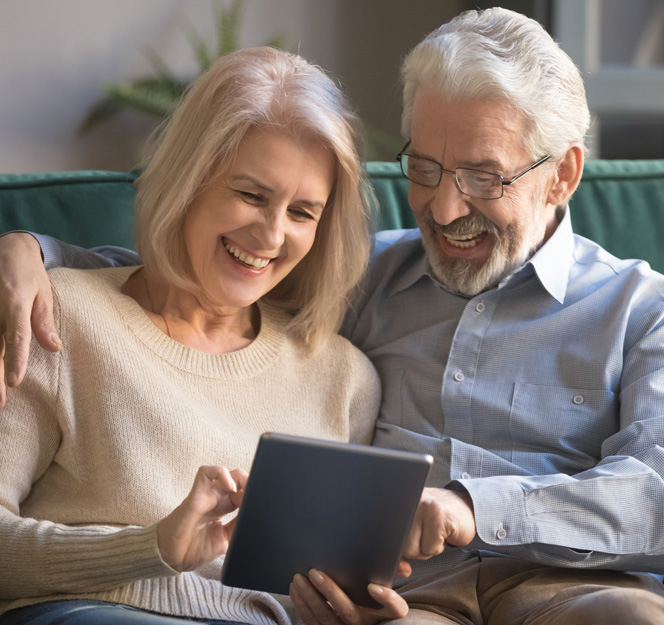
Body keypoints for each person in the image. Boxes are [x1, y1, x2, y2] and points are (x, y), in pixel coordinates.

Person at [1, 8, 664, 625]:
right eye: (425, 167)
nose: (443, 207)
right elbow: (195, 274)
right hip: (414, 600)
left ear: (562, 174)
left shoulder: (651, 314)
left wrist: (472, 506)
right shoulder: (362, 277)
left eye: (483, 177)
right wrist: (31, 249)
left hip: (580, 585)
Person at [0, 46, 384, 625]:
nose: (271, 234)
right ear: (188, 178)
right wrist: (150, 547)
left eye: (303, 212)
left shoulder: (344, 378)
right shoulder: (60, 318)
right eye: (251, 195)